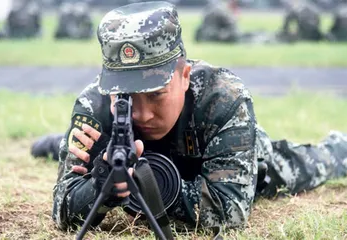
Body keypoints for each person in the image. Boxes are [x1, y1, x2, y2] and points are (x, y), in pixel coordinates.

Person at [39, 1, 347, 235]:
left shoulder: (223, 98)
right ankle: (58, 143)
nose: (142, 114)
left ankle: (340, 148)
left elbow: (229, 210)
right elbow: (62, 210)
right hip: (164, 163)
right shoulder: (94, 104)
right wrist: (100, 184)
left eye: (156, 94)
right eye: (126, 98)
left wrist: (143, 185)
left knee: (307, 165)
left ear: (184, 76)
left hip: (218, 156)